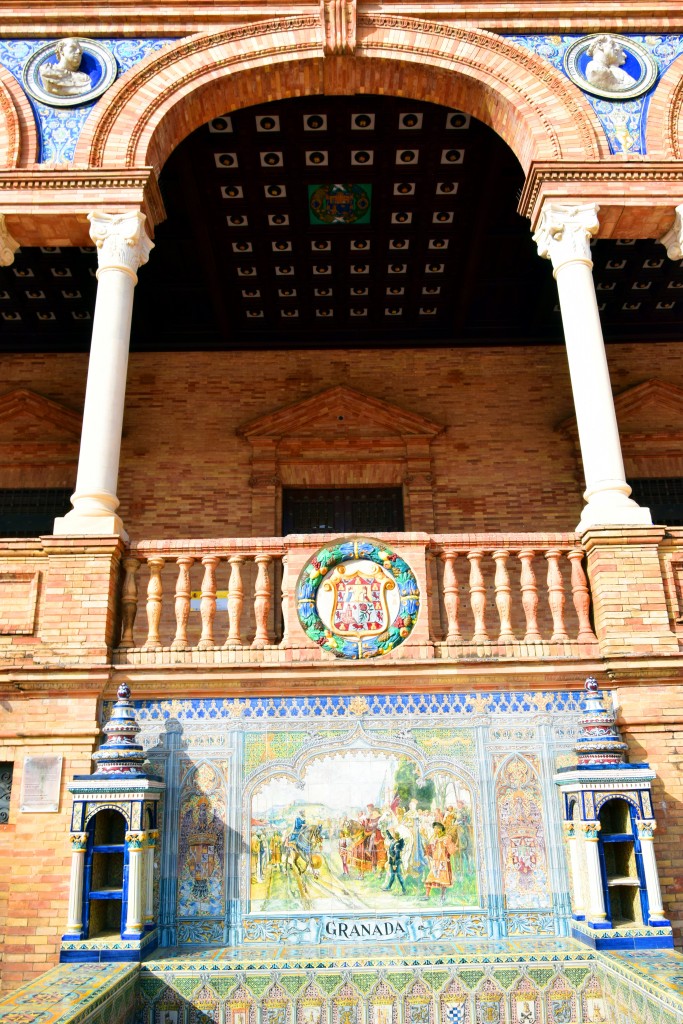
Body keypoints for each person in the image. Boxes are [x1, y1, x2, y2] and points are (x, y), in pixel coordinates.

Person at [421, 821, 456, 904]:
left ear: (441, 829)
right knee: (431, 877)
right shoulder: (434, 839)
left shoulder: (446, 838)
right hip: (435, 861)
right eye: (434, 828)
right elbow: (431, 848)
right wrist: (428, 848)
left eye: (437, 828)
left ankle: (442, 896)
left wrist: (447, 853)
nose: (435, 830)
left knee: (443, 878)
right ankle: (427, 895)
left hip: (443, 861)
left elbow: (450, 849)